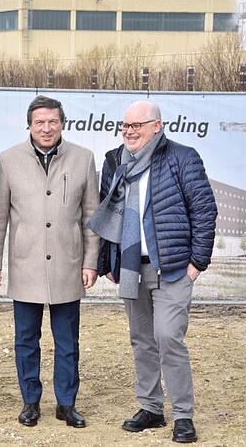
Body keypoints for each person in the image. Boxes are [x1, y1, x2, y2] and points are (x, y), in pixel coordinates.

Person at [87, 100, 216, 443]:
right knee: (142, 340)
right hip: (132, 267)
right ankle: (151, 408)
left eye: (136, 126)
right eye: (125, 126)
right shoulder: (115, 160)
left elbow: (204, 211)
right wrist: (107, 262)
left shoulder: (181, 157)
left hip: (173, 268)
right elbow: (107, 213)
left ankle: (184, 415)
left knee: (168, 337)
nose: (129, 132)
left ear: (156, 126)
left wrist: (196, 264)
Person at [0, 95, 99, 428]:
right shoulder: (8, 160)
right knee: (26, 339)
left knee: (67, 341)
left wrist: (90, 261)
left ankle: (66, 403)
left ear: (62, 123)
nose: (46, 128)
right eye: (40, 122)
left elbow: (91, 216)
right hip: (26, 265)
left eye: (53, 121)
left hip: (68, 264)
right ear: (30, 125)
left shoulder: (83, 159)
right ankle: (30, 401)